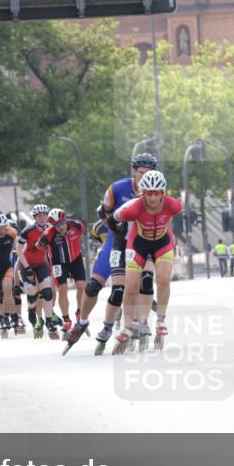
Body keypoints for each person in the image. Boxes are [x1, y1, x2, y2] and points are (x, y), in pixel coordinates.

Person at [63, 152, 159, 355]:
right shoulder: (117, 188)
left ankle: (140, 323)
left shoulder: (156, 191)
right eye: (140, 172)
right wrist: (115, 227)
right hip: (117, 241)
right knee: (92, 286)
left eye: (148, 173)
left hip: (142, 244)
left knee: (145, 282)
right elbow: (102, 211)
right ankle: (81, 323)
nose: (143, 177)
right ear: (133, 171)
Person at [111, 170, 181, 353]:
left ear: (162, 193)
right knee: (131, 286)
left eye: (157, 193)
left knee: (163, 279)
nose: (153, 198)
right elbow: (115, 217)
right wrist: (113, 223)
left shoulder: (173, 205)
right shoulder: (134, 208)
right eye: (149, 193)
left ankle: (160, 319)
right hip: (138, 244)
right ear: (143, 193)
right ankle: (128, 326)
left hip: (162, 243)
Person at [37, 208, 88, 333]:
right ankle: (66, 319)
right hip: (58, 263)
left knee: (82, 286)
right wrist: (49, 250)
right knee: (62, 290)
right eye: (57, 225)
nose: (61, 227)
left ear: (66, 220)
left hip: (76, 259)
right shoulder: (48, 233)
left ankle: (79, 311)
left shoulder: (76, 225)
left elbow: (83, 231)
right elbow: (39, 245)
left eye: (62, 223)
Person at [16, 205, 61, 339]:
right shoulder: (27, 231)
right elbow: (19, 251)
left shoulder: (51, 230)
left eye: (44, 215)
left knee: (47, 293)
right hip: (26, 264)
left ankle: (48, 321)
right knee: (33, 295)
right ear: (34, 218)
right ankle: (31, 308)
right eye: (39, 216)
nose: (42, 218)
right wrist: (27, 268)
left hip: (42, 264)